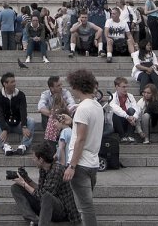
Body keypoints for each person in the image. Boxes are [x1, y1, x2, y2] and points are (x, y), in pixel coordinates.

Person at [63, 68, 102, 226]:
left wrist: (72, 165)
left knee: (85, 207)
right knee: (85, 205)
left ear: (77, 86)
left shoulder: (82, 108)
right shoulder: (97, 106)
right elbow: (88, 131)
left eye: (72, 85)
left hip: (80, 164)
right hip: (93, 162)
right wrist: (71, 123)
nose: (71, 89)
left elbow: (80, 139)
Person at [11, 143, 81, 225]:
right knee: (16, 188)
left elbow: (42, 195)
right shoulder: (43, 169)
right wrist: (27, 179)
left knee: (46, 196)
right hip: (46, 206)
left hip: (63, 212)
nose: (32, 159)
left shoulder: (56, 171)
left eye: (34, 157)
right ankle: (34, 221)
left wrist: (24, 184)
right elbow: (40, 190)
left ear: (41, 159)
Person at [0, 72, 35, 155]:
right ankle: (5, 146)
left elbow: (23, 111)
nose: (14, 84)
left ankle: (23, 145)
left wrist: (24, 125)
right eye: (12, 82)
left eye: (14, 81)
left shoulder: (20, 95)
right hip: (6, 125)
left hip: (18, 124)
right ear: (5, 84)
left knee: (31, 121)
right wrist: (4, 128)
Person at [108, 76, 143, 144]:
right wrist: (127, 116)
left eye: (127, 87)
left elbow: (136, 108)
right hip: (118, 123)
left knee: (131, 110)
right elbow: (115, 109)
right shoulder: (112, 97)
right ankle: (122, 137)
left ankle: (130, 136)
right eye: (123, 87)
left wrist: (134, 117)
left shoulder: (130, 96)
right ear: (117, 87)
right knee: (115, 113)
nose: (126, 89)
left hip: (129, 122)